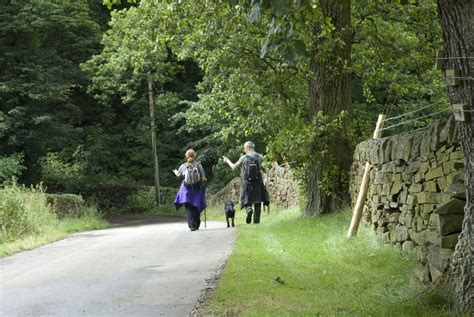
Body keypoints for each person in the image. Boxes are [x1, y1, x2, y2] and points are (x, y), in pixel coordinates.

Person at [222, 141, 270, 224]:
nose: (244, 149)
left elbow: (233, 167)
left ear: (248, 147)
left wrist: (227, 160)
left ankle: (248, 210)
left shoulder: (244, 158)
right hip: (258, 181)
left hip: (247, 181)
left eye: (244, 148)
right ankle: (256, 221)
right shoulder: (260, 157)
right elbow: (266, 168)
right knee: (258, 201)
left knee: (246, 199)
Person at [173, 149, 207, 231]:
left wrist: (175, 172)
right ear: (194, 155)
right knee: (196, 206)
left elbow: (178, 175)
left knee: (188, 208)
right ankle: (196, 224)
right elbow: (203, 177)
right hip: (197, 189)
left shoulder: (183, 166)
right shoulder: (198, 165)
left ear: (186, 156)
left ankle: (191, 226)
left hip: (186, 190)